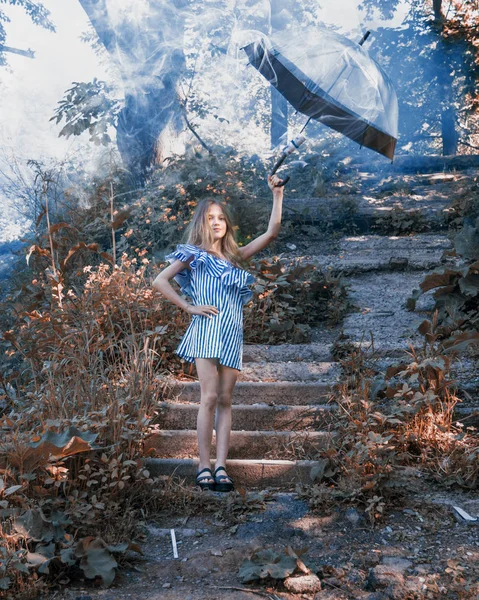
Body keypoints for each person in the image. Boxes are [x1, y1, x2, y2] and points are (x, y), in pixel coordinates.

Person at [153, 174, 284, 492]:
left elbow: (271, 232)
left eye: (221, 218)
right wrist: (189, 307)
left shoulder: (235, 257)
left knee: (226, 400)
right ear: (201, 223)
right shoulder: (193, 255)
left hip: (231, 332)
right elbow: (159, 281)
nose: (216, 222)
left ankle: (222, 467)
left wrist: (277, 195)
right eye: (210, 218)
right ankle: (203, 466)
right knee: (209, 397)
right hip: (207, 331)